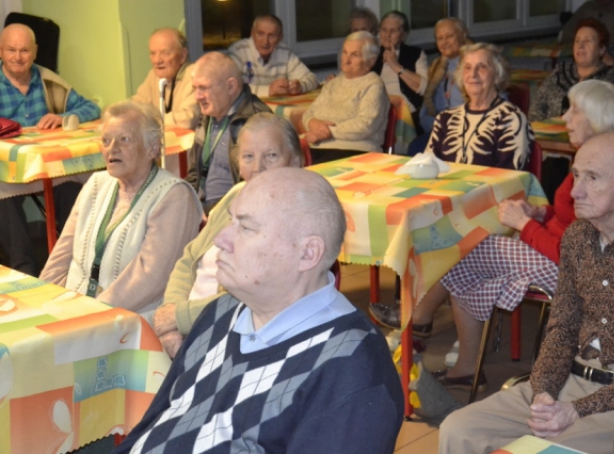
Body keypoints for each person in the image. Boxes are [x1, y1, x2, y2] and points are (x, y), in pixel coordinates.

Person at [113, 168, 405, 454]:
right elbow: (153, 425)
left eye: (246, 227)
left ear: (307, 253)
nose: (220, 240)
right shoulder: (223, 311)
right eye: (230, 221)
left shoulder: (354, 369)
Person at [438, 132, 614, 454]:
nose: (575, 191)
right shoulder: (578, 237)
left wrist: (577, 410)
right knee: (458, 429)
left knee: (541, 450)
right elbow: (561, 326)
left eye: (593, 178)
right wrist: (544, 391)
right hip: (569, 380)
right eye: (576, 175)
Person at [371, 81, 614, 390]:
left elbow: (575, 254)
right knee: (467, 254)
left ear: (596, 117)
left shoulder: (599, 171)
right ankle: (455, 354)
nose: (564, 118)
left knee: (463, 244)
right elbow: (569, 218)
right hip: (559, 253)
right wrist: (539, 214)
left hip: (575, 273)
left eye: (574, 111)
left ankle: (423, 323)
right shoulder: (595, 158)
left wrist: (525, 224)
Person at [154, 113, 304, 357]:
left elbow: (247, 299)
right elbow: (188, 259)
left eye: (271, 156)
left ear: (295, 161)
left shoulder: (289, 219)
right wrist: (171, 317)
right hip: (188, 325)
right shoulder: (236, 194)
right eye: (248, 157)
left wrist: (178, 319)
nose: (258, 168)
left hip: (233, 338)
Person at [39, 101, 202, 323]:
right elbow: (62, 255)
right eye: (106, 141)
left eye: (124, 139)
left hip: (129, 323)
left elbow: (150, 277)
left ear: (152, 148)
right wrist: (44, 304)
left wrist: (89, 315)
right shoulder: (96, 184)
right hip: (75, 314)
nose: (112, 148)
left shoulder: (174, 196)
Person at [0, 23, 101, 275]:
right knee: (2, 199)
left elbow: (91, 108)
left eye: (24, 50)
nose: (18, 57)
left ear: (34, 51)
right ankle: (24, 269)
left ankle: (77, 263)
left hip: (49, 168)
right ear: (0, 51)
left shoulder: (48, 80)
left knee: (75, 189)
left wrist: (64, 116)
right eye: (11, 50)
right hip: (6, 169)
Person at [186, 51, 272, 212]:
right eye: (195, 88)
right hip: (202, 210)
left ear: (231, 86)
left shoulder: (255, 121)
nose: (197, 96)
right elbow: (194, 174)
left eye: (204, 88)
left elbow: (256, 188)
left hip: (231, 214)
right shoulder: (209, 116)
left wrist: (210, 213)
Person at [426, 43, 533, 170]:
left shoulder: (511, 119)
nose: (473, 74)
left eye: (482, 67)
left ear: (497, 75)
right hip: (445, 189)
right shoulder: (445, 119)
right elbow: (427, 166)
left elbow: (510, 177)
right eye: (467, 68)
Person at [302, 31, 389, 164]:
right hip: (318, 147)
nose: (346, 60)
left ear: (370, 61)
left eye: (354, 55)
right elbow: (309, 113)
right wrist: (314, 123)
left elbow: (365, 125)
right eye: (344, 52)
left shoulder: (374, 85)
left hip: (356, 151)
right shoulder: (333, 83)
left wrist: (327, 132)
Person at [529, 18, 614, 122]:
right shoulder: (560, 72)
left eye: (587, 41)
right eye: (577, 41)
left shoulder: (609, 76)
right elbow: (536, 106)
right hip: (548, 133)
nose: (580, 46)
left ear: (601, 49)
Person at [408, 17, 470, 155]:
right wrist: (439, 126)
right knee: (416, 148)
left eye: (449, 36)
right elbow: (425, 112)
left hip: (467, 132)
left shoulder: (474, 66)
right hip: (439, 132)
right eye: (439, 38)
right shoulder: (436, 67)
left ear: (463, 35)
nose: (444, 42)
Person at [227, 14, 318, 98]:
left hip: (274, 112)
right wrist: (268, 90)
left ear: (280, 38)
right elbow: (230, 87)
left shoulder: (285, 52)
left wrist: (300, 87)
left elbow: (312, 79)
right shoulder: (238, 51)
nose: (265, 41)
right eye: (260, 34)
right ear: (252, 33)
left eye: (271, 36)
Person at [130, 28, 200, 129]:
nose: (157, 60)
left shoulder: (195, 75)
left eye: (165, 53)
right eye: (153, 53)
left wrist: (148, 120)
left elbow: (187, 120)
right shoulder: (154, 75)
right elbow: (136, 105)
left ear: (183, 55)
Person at [372, 10, 428, 129]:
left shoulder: (415, 54)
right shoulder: (372, 54)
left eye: (393, 31)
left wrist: (396, 66)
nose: (387, 35)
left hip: (408, 115)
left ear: (403, 35)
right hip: (377, 113)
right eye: (384, 30)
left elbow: (425, 88)